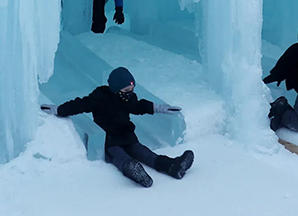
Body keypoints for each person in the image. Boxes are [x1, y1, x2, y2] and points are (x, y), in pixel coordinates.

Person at [41, 66, 193, 187]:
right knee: (119, 157)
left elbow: (139, 106)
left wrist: (160, 108)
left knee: (145, 153)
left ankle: (172, 166)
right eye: (126, 91)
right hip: (109, 140)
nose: (129, 94)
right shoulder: (100, 97)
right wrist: (58, 109)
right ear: (115, 89)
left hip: (127, 136)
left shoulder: (128, 98)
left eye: (131, 90)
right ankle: (133, 170)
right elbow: (79, 105)